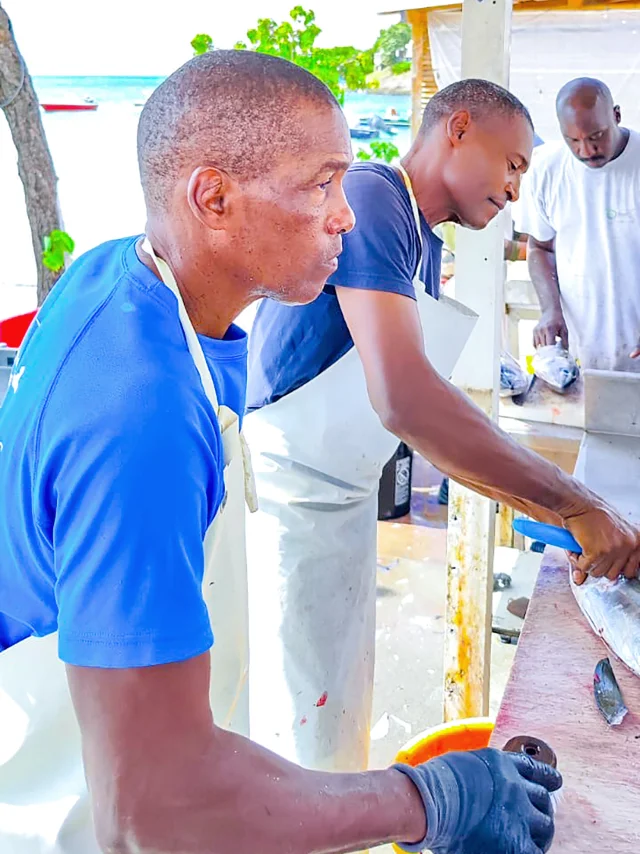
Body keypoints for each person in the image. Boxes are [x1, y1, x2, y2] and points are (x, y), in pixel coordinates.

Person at [0, 51, 562, 854]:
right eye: (321, 184)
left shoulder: (115, 275)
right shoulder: (141, 420)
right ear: (214, 198)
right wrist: (426, 799)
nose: (344, 215)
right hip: (57, 801)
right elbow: (156, 811)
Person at [244, 79, 640, 774]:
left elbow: (442, 437)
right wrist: (576, 503)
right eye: (514, 164)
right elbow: (408, 401)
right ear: (458, 128)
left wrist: (560, 514)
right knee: (299, 745)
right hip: (289, 507)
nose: (518, 191)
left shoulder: (421, 244)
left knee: (337, 732)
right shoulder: (370, 199)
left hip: (341, 503)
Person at [516, 77, 640, 370]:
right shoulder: (546, 168)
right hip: (582, 353)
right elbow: (540, 249)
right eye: (573, 140)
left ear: (617, 115)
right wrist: (550, 311)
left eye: (596, 136)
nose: (586, 150)